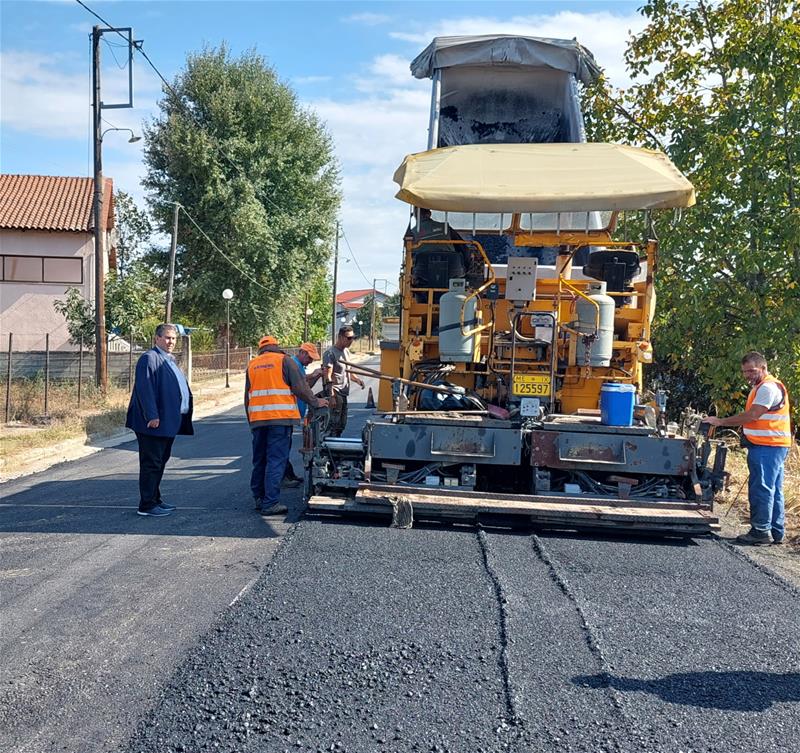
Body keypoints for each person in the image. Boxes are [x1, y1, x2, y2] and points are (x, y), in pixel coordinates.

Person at [703, 352, 792, 545]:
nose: (748, 375)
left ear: (763, 367)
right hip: (773, 446)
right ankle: (776, 532)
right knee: (773, 489)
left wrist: (720, 421)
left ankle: (760, 531)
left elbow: (753, 415)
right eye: (745, 372)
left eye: (751, 371)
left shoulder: (768, 387)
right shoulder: (763, 387)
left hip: (767, 447)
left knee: (761, 488)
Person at [245, 335, 328, 516]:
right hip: (280, 420)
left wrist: (251, 422)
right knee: (276, 460)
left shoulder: (252, 365)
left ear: (261, 349)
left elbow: (247, 397)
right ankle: (270, 503)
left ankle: (259, 498)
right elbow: (300, 388)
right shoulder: (285, 361)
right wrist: (315, 402)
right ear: (276, 346)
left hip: (258, 421)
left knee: (260, 460)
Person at [126, 323, 193, 517]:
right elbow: (144, 388)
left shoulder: (169, 359)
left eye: (173, 338)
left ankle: (155, 499)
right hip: (153, 423)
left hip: (167, 422)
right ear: (157, 339)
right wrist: (152, 416)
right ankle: (146, 505)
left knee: (160, 462)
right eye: (167, 338)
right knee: (151, 463)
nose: (171, 341)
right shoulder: (149, 358)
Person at [282, 342, 323, 486]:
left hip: (293, 413)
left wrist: (315, 376)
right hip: (287, 413)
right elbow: (300, 387)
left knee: (285, 445)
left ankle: (288, 474)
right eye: (310, 357)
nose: (311, 361)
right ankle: (284, 477)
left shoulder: (299, 366)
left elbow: (305, 386)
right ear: (303, 353)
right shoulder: (293, 364)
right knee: (283, 446)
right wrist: (316, 402)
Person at [322, 326, 365, 438]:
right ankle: (329, 447)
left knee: (342, 424)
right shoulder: (330, 353)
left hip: (343, 392)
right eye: (349, 338)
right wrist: (331, 396)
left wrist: (357, 380)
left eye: (353, 338)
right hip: (335, 392)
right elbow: (328, 375)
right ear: (340, 337)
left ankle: (336, 444)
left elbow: (348, 370)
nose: (351, 341)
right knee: (334, 424)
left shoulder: (346, 351)